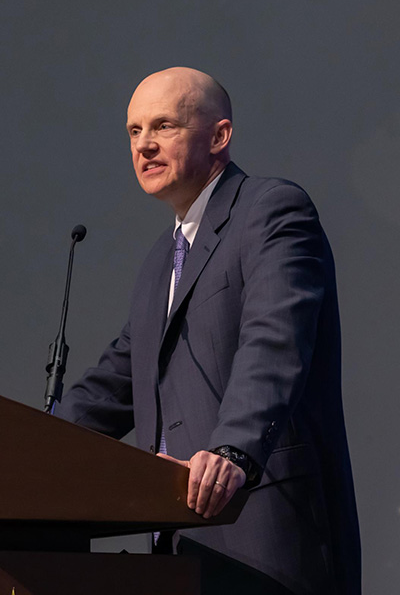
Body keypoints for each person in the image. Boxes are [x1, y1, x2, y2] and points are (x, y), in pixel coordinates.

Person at [55, 67, 361, 594]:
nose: (144, 146)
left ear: (219, 136)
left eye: (163, 127)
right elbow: (114, 383)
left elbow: (274, 342)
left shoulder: (270, 210)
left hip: (263, 532)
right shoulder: (160, 263)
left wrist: (233, 452)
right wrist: (35, 449)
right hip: (181, 550)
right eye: (134, 132)